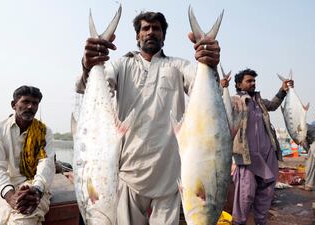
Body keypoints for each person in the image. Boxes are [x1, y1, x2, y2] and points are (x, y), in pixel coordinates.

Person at [76, 11, 220, 225]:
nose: (151, 32)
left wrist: (211, 65)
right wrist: (88, 66)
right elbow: (90, 88)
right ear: (137, 36)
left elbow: (206, 89)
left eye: (156, 29)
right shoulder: (120, 65)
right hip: (128, 175)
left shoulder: (179, 66)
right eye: (145, 28)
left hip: (169, 178)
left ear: (163, 36)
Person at [222, 68, 293, 225]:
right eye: (249, 81)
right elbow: (219, 107)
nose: (253, 83)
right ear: (239, 84)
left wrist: (283, 90)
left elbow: (274, 105)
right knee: (245, 194)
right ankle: (239, 222)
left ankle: (261, 221)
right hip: (247, 156)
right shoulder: (233, 100)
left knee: (266, 192)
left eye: (254, 81)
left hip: (268, 154)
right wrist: (222, 88)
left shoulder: (260, 102)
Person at [0, 86, 55, 225]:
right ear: (14, 105)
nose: (30, 106)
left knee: (25, 217)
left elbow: (46, 163)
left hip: (33, 183)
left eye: (35, 103)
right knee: (1, 216)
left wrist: (37, 190)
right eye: (25, 101)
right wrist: (10, 196)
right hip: (2, 186)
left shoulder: (44, 132)